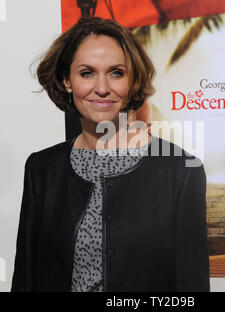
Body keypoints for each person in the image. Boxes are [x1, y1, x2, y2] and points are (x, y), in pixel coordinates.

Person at [11, 17, 209, 292]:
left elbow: (191, 287)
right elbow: (26, 279)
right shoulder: (42, 169)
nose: (102, 87)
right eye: (86, 73)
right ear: (67, 80)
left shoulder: (181, 171)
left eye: (116, 72)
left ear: (133, 81)